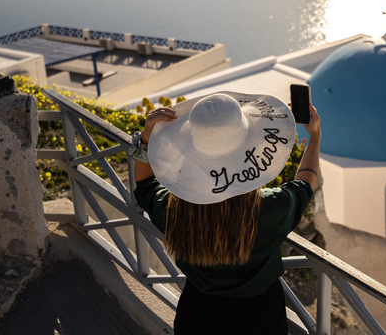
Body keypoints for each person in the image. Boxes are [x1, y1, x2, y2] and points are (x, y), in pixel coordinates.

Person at [129, 91, 321, 335]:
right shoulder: (270, 210)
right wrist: (314, 136)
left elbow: (144, 184)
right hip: (260, 319)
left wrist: (146, 138)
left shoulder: (172, 211)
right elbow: (305, 183)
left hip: (197, 316)